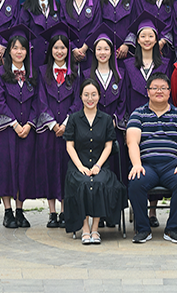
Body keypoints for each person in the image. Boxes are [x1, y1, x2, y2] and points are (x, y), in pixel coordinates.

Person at [121, 74, 177, 243]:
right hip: (147, 165)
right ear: (148, 92)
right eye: (154, 88)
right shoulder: (138, 114)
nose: (159, 91)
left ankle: (172, 228)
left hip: (172, 165)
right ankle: (143, 229)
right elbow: (132, 142)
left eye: (163, 88)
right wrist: (137, 164)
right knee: (136, 182)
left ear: (169, 91)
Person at [60, 79, 123, 244]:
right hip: (78, 166)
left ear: (99, 96)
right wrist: (80, 166)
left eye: (93, 95)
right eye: (86, 95)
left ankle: (95, 229)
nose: (90, 98)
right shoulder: (73, 119)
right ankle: (85, 229)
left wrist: (97, 165)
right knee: (83, 183)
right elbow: (69, 146)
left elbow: (109, 146)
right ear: (81, 96)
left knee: (98, 183)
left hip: (100, 166)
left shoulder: (106, 119)